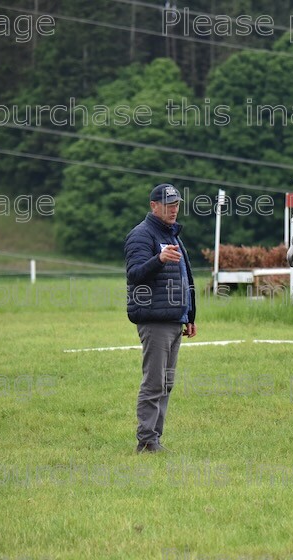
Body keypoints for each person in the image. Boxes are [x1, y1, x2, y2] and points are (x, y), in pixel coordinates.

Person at [125, 183, 197, 453]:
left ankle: (155, 438)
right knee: (154, 382)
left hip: (173, 320)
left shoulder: (173, 236)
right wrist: (158, 259)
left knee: (166, 383)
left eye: (176, 204)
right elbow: (135, 274)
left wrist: (189, 315)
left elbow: (185, 278)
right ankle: (146, 441)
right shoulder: (141, 236)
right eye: (168, 204)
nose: (174, 209)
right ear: (153, 206)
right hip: (154, 321)